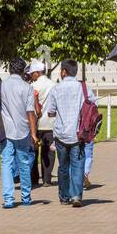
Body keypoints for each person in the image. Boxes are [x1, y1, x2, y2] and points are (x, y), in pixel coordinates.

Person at [46, 59, 97, 208]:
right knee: (78, 165)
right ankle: (76, 195)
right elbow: (93, 105)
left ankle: (63, 196)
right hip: (78, 133)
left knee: (63, 166)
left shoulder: (56, 89)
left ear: (63, 72)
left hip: (61, 134)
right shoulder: (83, 87)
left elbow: (50, 112)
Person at [0, 56, 38, 209]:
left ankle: (8, 199)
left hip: (6, 130)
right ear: (23, 71)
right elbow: (30, 112)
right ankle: (26, 196)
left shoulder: (0, 86)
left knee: (6, 163)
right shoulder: (27, 87)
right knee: (24, 162)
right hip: (23, 129)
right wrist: (34, 133)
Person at [28, 59, 56, 188]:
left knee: (34, 151)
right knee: (49, 151)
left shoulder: (33, 87)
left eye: (32, 73)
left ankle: (34, 179)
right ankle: (47, 178)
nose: (31, 76)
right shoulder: (53, 85)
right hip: (51, 123)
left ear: (37, 73)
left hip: (36, 124)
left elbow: (30, 107)